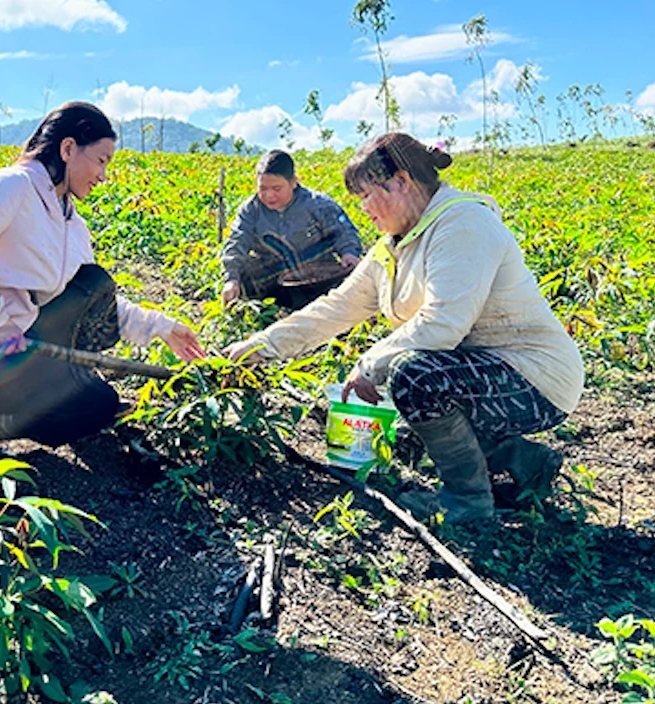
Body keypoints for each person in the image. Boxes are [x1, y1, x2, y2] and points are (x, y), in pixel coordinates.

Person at [225, 133, 584, 524]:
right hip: (477, 373)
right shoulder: (394, 246)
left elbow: (443, 323)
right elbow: (336, 308)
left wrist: (369, 364)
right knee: (399, 431)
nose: (362, 209)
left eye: (365, 195)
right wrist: (259, 346)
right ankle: (525, 463)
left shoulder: (463, 223)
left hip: (534, 378)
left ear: (401, 183)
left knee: (413, 378)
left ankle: (468, 504)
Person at [0, 102, 206, 465]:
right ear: (68, 149)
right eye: (100, 161)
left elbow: (96, 300)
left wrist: (163, 327)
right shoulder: (14, 186)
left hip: (17, 350)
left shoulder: (70, 222)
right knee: (82, 410)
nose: (103, 176)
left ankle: (65, 385)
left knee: (100, 400)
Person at [220, 150, 363, 310]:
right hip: (277, 283)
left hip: (320, 281)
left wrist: (349, 252)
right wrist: (232, 279)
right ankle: (269, 314)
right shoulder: (251, 210)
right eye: (263, 188)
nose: (269, 195)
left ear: (294, 182)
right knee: (244, 274)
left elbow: (343, 230)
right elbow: (237, 241)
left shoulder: (318, 205)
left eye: (276, 188)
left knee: (352, 281)